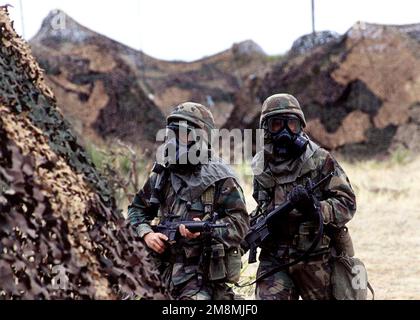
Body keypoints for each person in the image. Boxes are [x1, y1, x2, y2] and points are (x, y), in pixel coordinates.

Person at [127, 102, 249, 300]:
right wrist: (147, 233)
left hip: (200, 275)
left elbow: (240, 223)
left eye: (184, 134)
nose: (175, 141)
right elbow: (136, 210)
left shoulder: (221, 178)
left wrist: (206, 232)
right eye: (173, 134)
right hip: (159, 269)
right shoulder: (163, 174)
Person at [252, 93, 357, 300]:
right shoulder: (260, 164)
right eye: (276, 125)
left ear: (300, 126)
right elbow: (261, 205)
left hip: (315, 255)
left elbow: (347, 203)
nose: (284, 131)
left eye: (291, 124)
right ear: (266, 129)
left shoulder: (320, 159)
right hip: (275, 258)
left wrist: (315, 208)